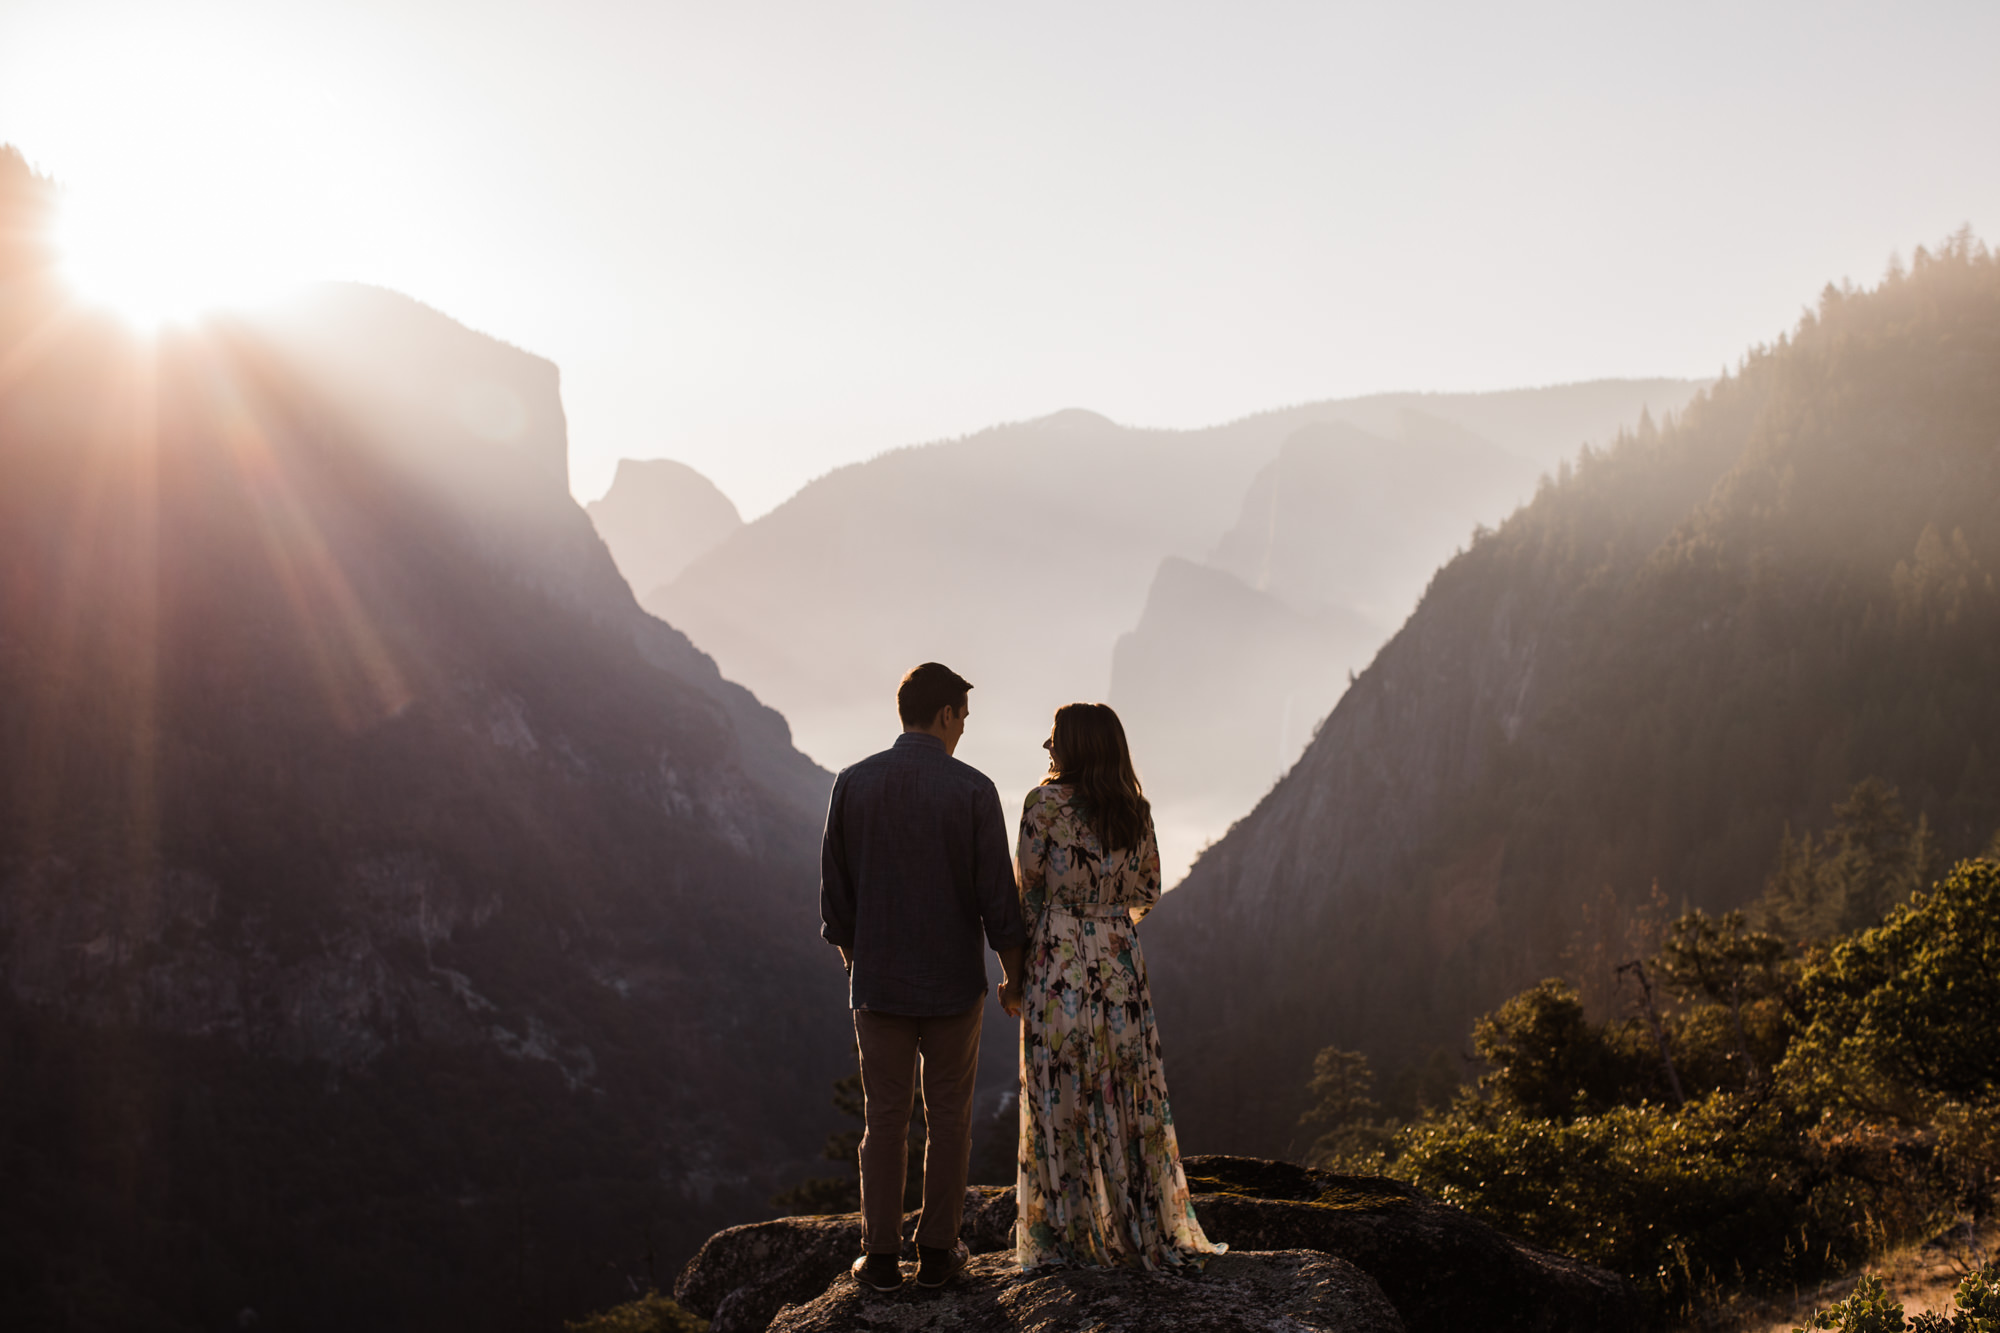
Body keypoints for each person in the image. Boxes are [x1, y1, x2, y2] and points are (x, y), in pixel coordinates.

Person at [820, 662, 1027, 1293]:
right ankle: (938, 1252)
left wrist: (861, 961)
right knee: (950, 1118)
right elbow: (999, 900)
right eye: (963, 716)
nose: (964, 728)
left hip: (878, 987)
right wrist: (1013, 978)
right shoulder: (974, 789)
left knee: (883, 1118)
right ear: (946, 715)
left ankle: (879, 1258)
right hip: (951, 985)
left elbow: (836, 896)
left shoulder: (853, 782)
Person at [1013, 702, 1224, 1271]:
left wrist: (1029, 965)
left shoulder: (1042, 805)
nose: (1046, 746)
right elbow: (1148, 890)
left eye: (1054, 737)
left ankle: (1068, 1236)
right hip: (1119, 965)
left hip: (1058, 965)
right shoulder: (1136, 811)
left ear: (1076, 745)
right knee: (1127, 1090)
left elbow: (1028, 894)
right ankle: (1140, 1225)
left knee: (1062, 1091)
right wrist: (1106, 922)